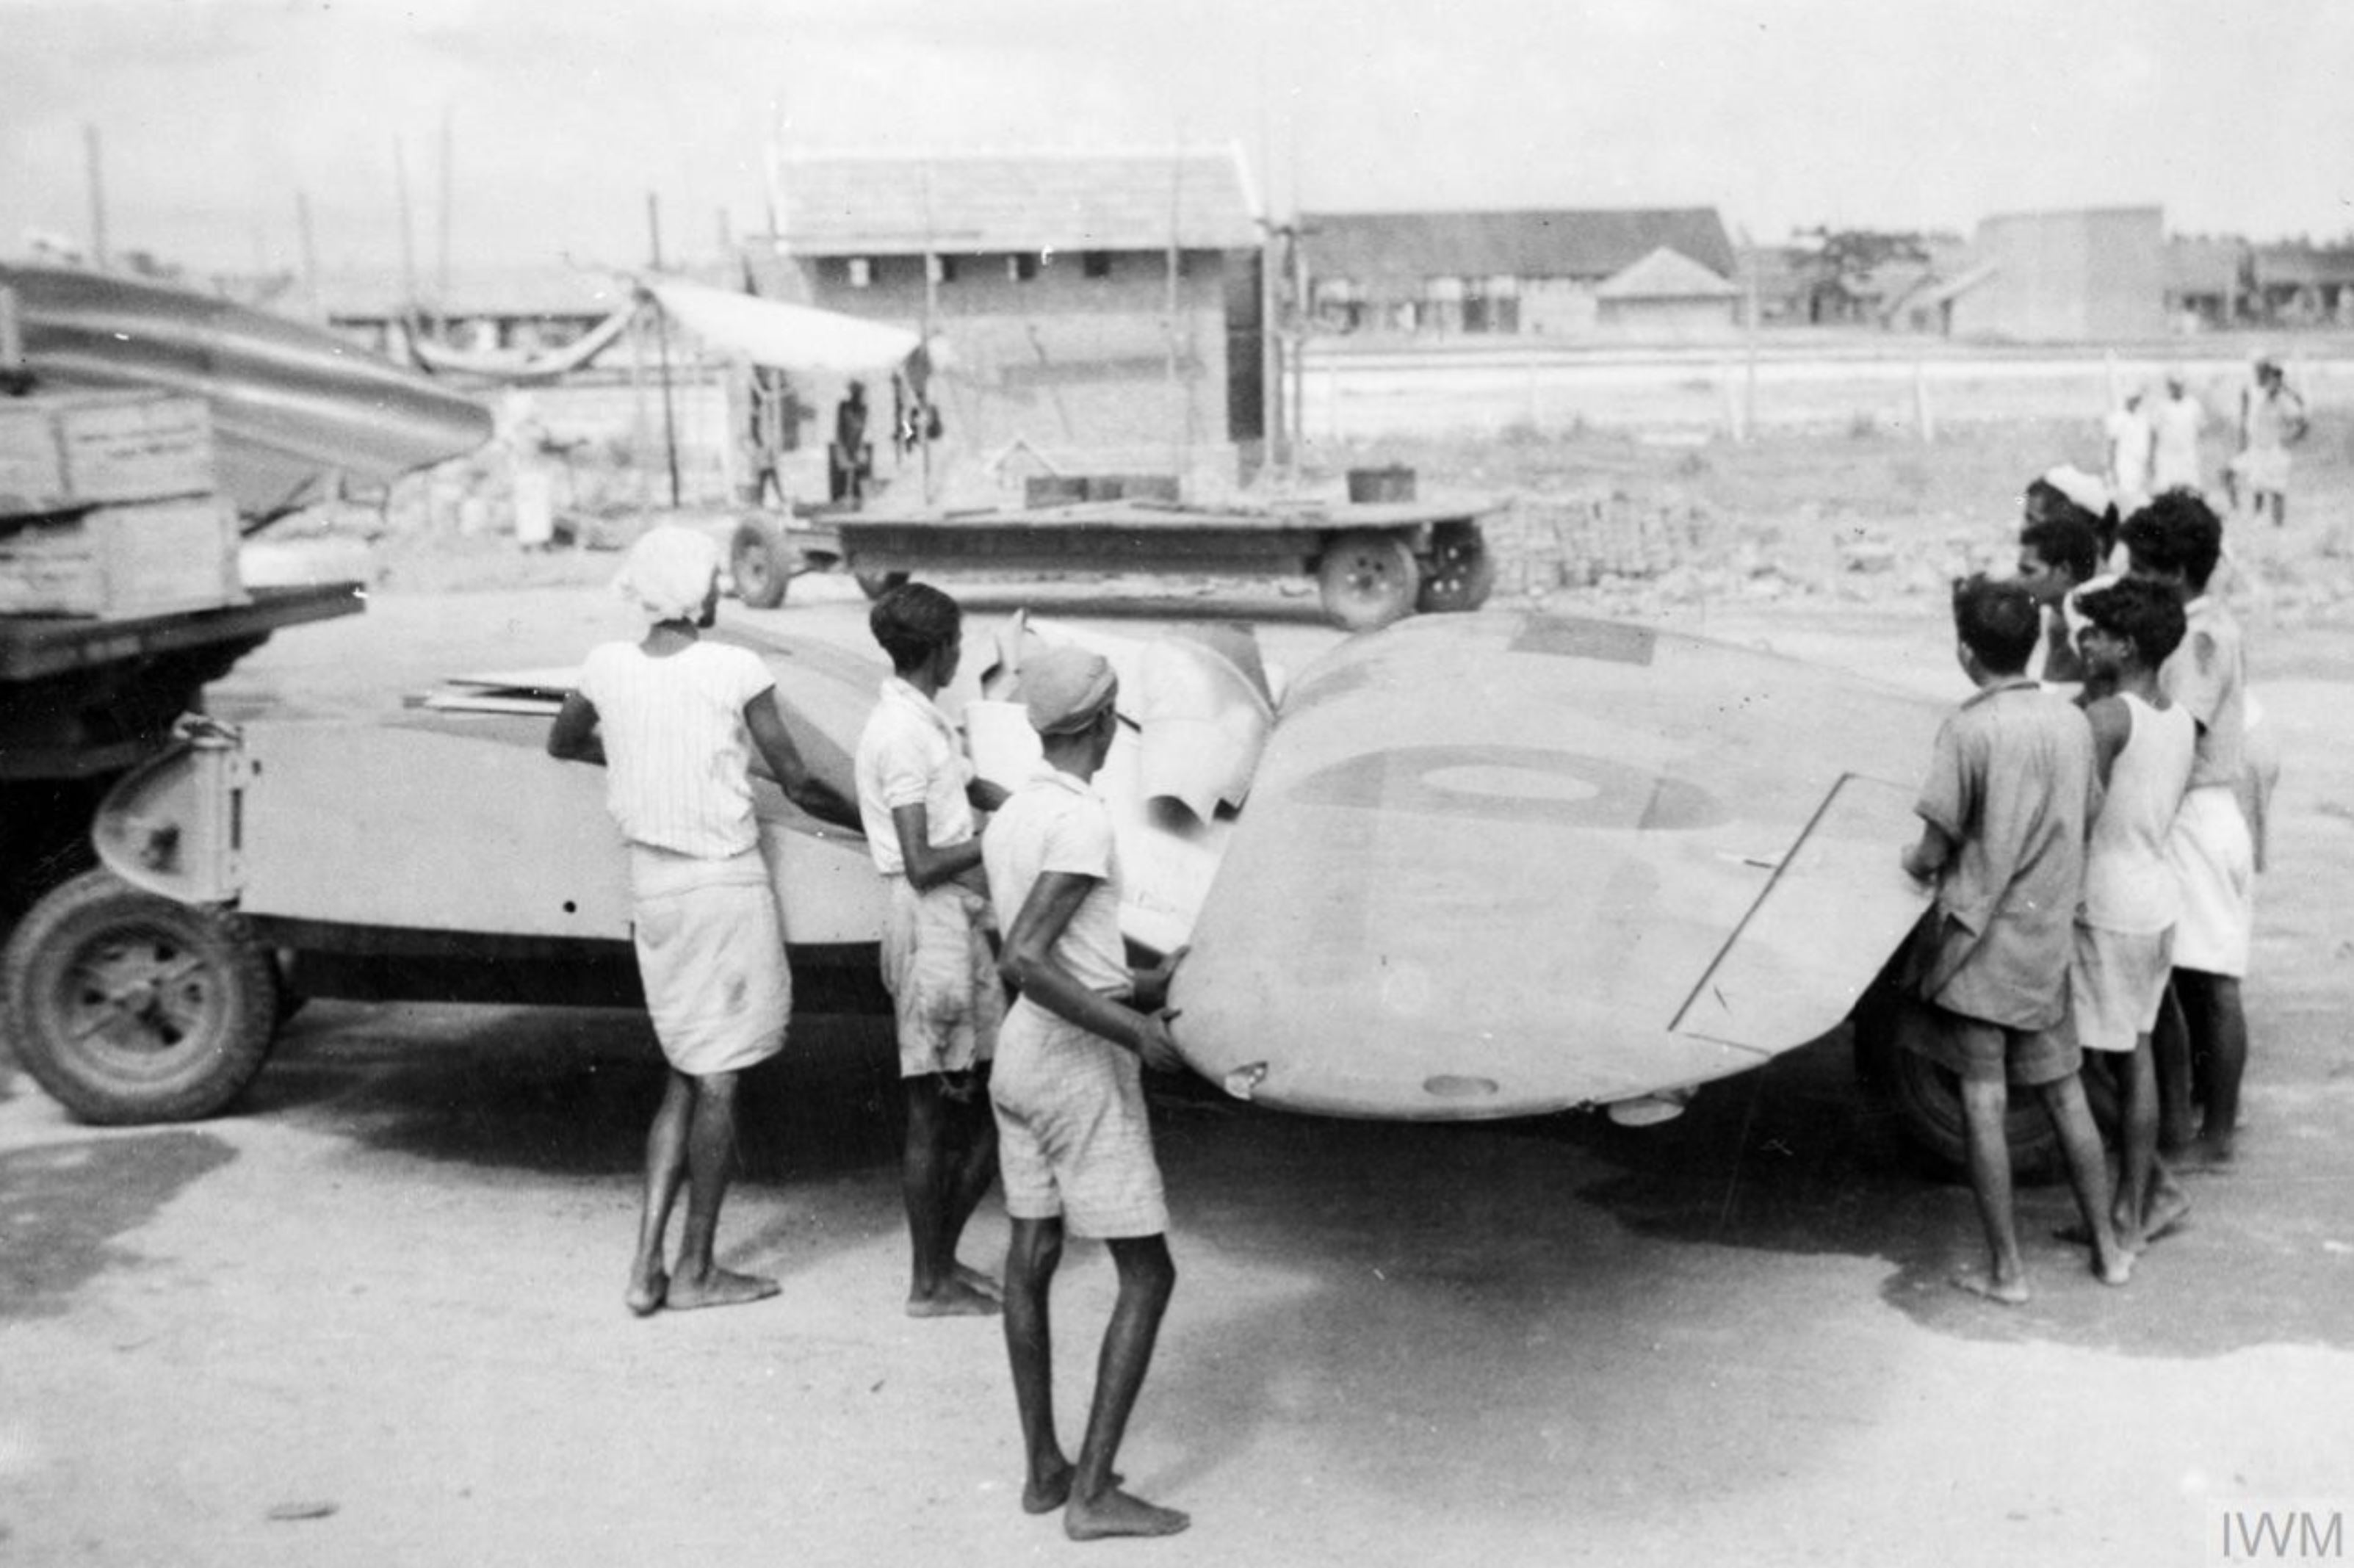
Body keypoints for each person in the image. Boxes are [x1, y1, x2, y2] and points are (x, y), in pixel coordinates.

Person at [546, 525, 850, 1316]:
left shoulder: (606, 666)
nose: (720, 590)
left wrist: (640, 760)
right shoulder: (733, 667)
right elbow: (798, 779)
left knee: (684, 1071)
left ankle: (646, 1266)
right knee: (719, 1081)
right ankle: (695, 1270)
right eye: (712, 578)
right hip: (722, 888)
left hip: (654, 893)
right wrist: (866, 820)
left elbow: (563, 740)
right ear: (692, 590)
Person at [983, 646, 1191, 1540]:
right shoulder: (1082, 824)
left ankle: (1044, 1468)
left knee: (1029, 1253)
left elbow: (1075, 963)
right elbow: (1025, 960)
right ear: (1104, 724)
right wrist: (1135, 1032)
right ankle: (1095, 1492)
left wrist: (1155, 981)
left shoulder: (1015, 813)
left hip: (1021, 1059)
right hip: (1074, 1059)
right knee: (1148, 1272)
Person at [1899, 574, 2131, 1304]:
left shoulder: (1968, 728)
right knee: (2065, 1096)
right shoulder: (2070, 721)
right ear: (2032, 644)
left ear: (1967, 653)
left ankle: (2007, 1271)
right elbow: (2087, 812)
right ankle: (2110, 1250)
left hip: (1979, 947)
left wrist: (1915, 864)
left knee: (1982, 1102)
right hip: (2045, 941)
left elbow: (1935, 843)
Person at [854, 582, 1013, 1318]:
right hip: (932, 923)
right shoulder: (900, 735)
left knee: (974, 1098)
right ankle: (929, 1279)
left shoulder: (925, 721)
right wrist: (1000, 840)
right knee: (938, 1109)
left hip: (955, 920)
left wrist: (1013, 797)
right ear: (939, 649)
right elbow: (921, 860)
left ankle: (941, 1262)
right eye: (956, 642)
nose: (961, 653)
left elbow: (960, 783)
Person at [2120, 494, 2254, 1167]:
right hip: (2192, 813)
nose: (2132, 580)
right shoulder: (2194, 626)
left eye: (2141, 569)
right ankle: (2182, 1122)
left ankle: (2216, 1134)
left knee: (2212, 983)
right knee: (2176, 981)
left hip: (2199, 814)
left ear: (2171, 573)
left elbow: (2180, 730)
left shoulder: (2199, 637)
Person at [2065, 577, 2197, 1251]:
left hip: (2106, 903)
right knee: (2134, 1054)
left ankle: (2141, 1198)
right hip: (2153, 896)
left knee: (2074, 1064)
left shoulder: (2107, 718)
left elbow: (2074, 818)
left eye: (2100, 633)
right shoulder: (2174, 716)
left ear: (2130, 645)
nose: (2086, 640)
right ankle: (2139, 1200)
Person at [2015, 507, 2104, 685]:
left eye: (2029, 572)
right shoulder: (2060, 616)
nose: (2019, 582)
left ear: (2064, 571)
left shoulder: (2091, 626)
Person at [2224, 358, 2308, 527]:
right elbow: (2246, 409)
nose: (2268, 382)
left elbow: (2303, 422)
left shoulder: (2284, 401)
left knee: (2276, 491)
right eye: (2266, 378)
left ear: (2277, 381)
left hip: (2273, 451)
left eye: (2272, 379)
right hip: (2255, 450)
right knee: (2230, 475)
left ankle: (2278, 528)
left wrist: (2291, 440)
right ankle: (2238, 510)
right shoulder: (2258, 394)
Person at [2150, 370, 2205, 496]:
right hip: (2166, 456)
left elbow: (2200, 431)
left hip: (2187, 455)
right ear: (2170, 387)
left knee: (2192, 492)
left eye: (2180, 386)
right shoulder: (2161, 406)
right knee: (2163, 492)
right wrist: (2152, 460)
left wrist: (2197, 454)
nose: (2177, 389)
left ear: (2184, 387)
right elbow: (2153, 434)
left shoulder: (2193, 405)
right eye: (2174, 386)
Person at [2104, 390, 2154, 522]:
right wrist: (2112, 469)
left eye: (2137, 400)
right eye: (2132, 400)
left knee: (2138, 500)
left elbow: (2146, 443)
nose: (2135, 403)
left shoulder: (2142, 419)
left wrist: (2149, 464)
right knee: (2123, 499)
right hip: (2123, 465)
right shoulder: (2118, 418)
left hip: (2139, 466)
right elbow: (2112, 446)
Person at [831, 380, 872, 504]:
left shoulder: (863, 409)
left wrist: (853, 448)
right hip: (844, 444)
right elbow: (841, 428)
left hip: (855, 444)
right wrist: (846, 446)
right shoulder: (844, 406)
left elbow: (860, 429)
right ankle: (844, 498)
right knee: (845, 474)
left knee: (859, 471)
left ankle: (858, 498)